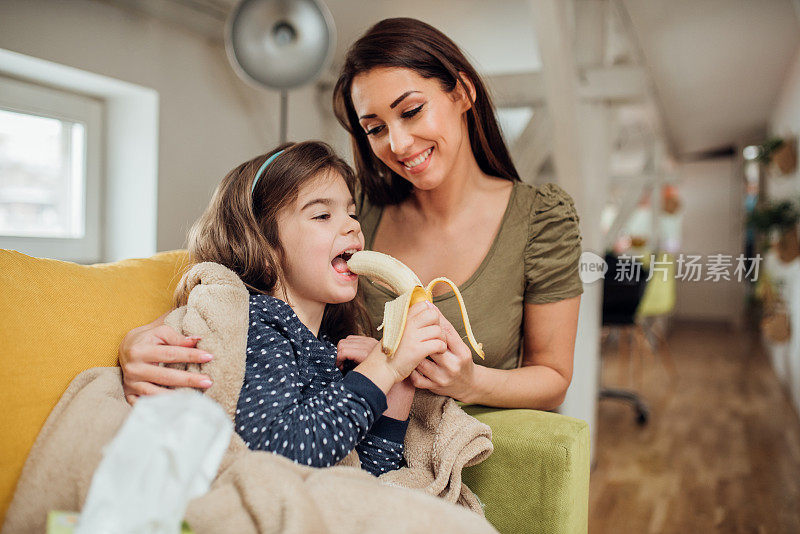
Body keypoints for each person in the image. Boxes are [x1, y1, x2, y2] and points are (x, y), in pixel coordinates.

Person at [119, 18, 582, 413]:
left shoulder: (543, 218)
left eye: (413, 111)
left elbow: (554, 375)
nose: (398, 145)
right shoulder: (351, 207)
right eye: (375, 129)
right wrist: (143, 337)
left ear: (462, 92)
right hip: (347, 432)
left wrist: (469, 382)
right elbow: (241, 270)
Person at [166, 140, 449, 475]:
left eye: (351, 212)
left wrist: (399, 384)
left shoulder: (329, 347)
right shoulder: (258, 322)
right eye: (322, 215)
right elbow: (278, 452)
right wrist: (383, 367)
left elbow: (368, 476)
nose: (352, 225)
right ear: (263, 244)